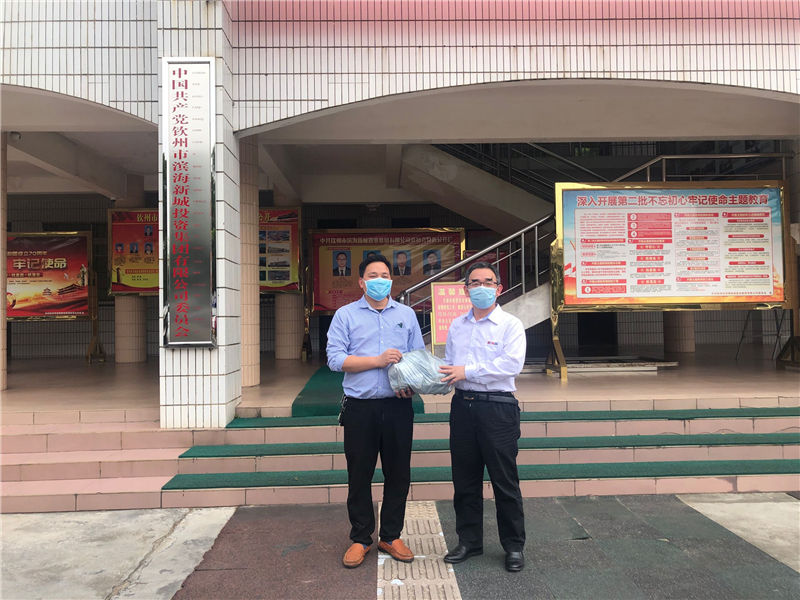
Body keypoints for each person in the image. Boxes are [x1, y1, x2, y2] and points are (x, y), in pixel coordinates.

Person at [327, 254, 425, 569]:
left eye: (384, 275)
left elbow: (418, 357)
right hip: (360, 408)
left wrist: (413, 382)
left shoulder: (406, 315)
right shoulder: (345, 315)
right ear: (361, 282)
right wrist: (377, 361)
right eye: (373, 275)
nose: (380, 280)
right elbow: (335, 359)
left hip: (398, 406)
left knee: (399, 473)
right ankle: (361, 538)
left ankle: (391, 535)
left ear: (391, 281)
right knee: (359, 474)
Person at [439, 261, 526, 573]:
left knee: (504, 480)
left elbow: (511, 365)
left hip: (498, 408)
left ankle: (513, 546)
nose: (481, 288)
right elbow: (451, 367)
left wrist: (467, 371)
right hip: (463, 407)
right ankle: (469, 541)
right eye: (474, 283)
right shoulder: (457, 326)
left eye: (488, 282)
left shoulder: (511, 325)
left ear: (499, 288)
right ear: (466, 290)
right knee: (465, 480)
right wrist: (423, 377)